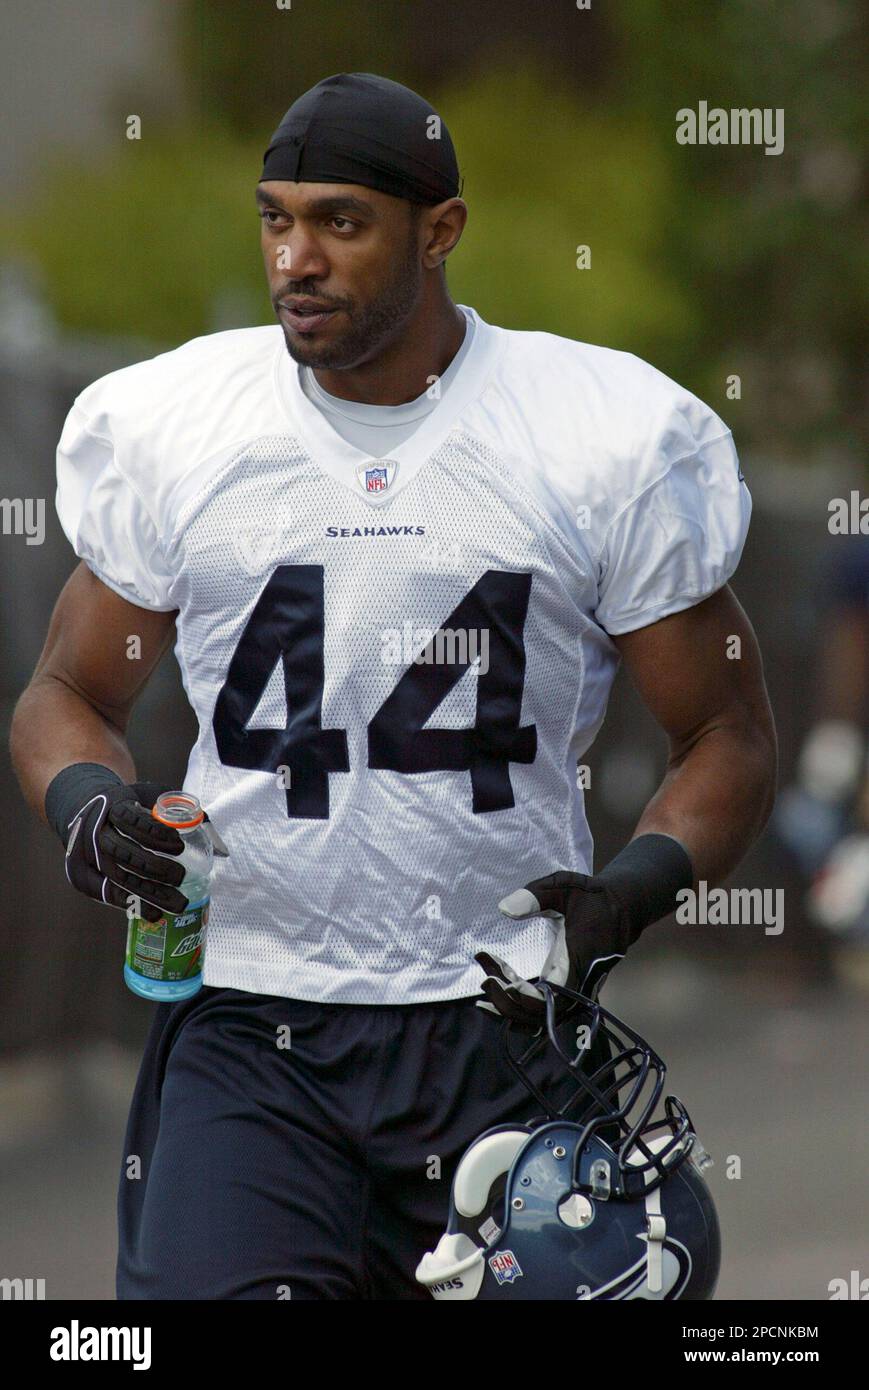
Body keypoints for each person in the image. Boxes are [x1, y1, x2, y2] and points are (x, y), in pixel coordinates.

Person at [10, 73, 777, 1299]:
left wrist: (632, 889)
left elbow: (725, 732)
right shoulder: (186, 424)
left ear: (440, 231)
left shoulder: (596, 436)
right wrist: (87, 803)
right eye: (273, 219)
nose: (293, 258)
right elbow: (63, 691)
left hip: (501, 1026)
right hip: (254, 1022)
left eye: (339, 222)